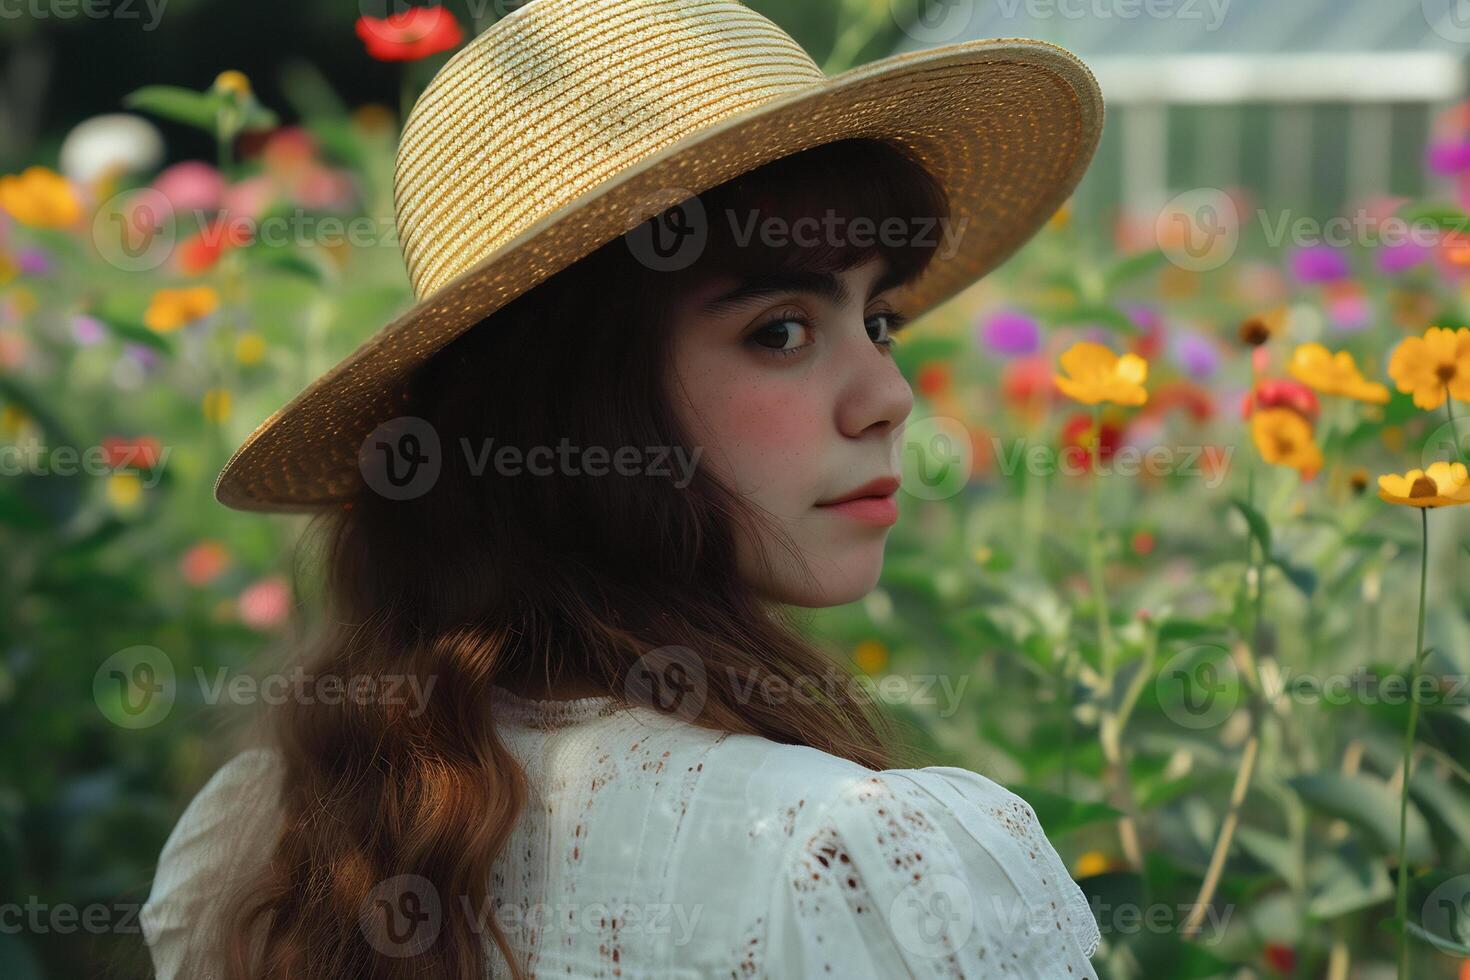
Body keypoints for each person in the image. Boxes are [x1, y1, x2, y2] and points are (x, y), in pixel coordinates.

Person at [141, 1, 1105, 977]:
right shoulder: (850, 861)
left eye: (881, 319)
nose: (889, 397)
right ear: (571, 403)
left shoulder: (262, 842)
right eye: (780, 329)